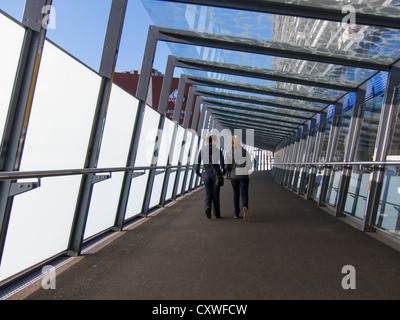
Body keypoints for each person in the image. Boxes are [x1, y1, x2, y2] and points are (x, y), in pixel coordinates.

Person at [196, 135, 226, 219]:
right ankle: (216, 213)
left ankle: (207, 207)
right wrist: (223, 171)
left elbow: (197, 163)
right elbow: (222, 163)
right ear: (213, 141)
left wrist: (198, 173)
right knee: (216, 194)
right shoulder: (217, 150)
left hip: (206, 174)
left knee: (208, 193)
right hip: (216, 174)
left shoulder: (202, 150)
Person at [225, 136, 252, 221]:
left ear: (231, 143)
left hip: (234, 175)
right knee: (244, 194)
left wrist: (230, 171)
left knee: (236, 195)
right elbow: (250, 164)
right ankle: (245, 206)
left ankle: (236, 213)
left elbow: (226, 166)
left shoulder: (229, 153)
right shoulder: (245, 151)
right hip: (244, 175)